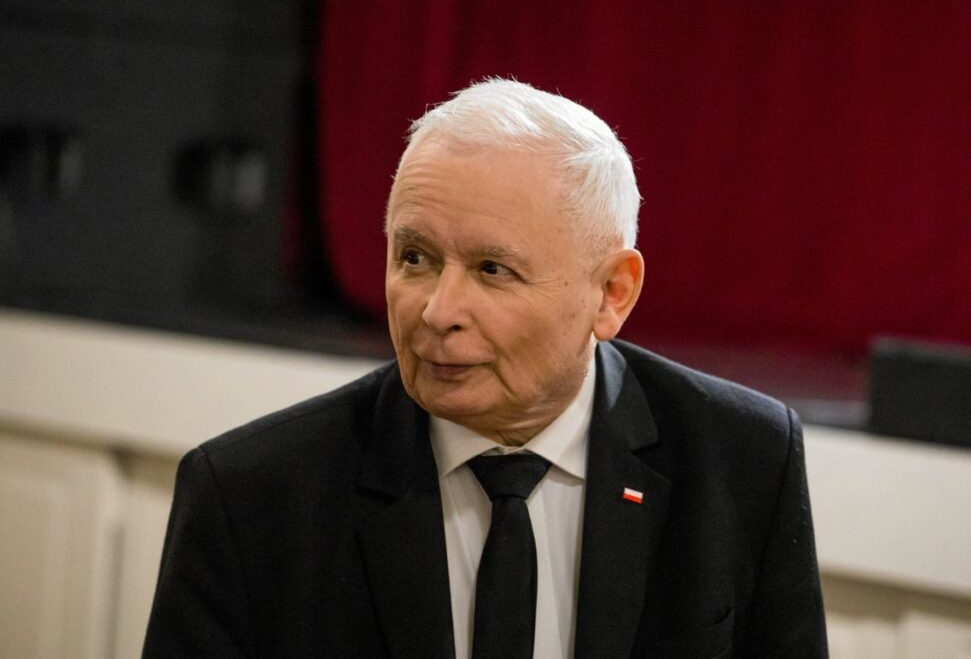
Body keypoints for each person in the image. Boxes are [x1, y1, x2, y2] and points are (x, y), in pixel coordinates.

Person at [143, 79, 828, 658]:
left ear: (612, 293)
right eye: (414, 258)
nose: (437, 311)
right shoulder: (249, 497)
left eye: (492, 269)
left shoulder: (744, 460)